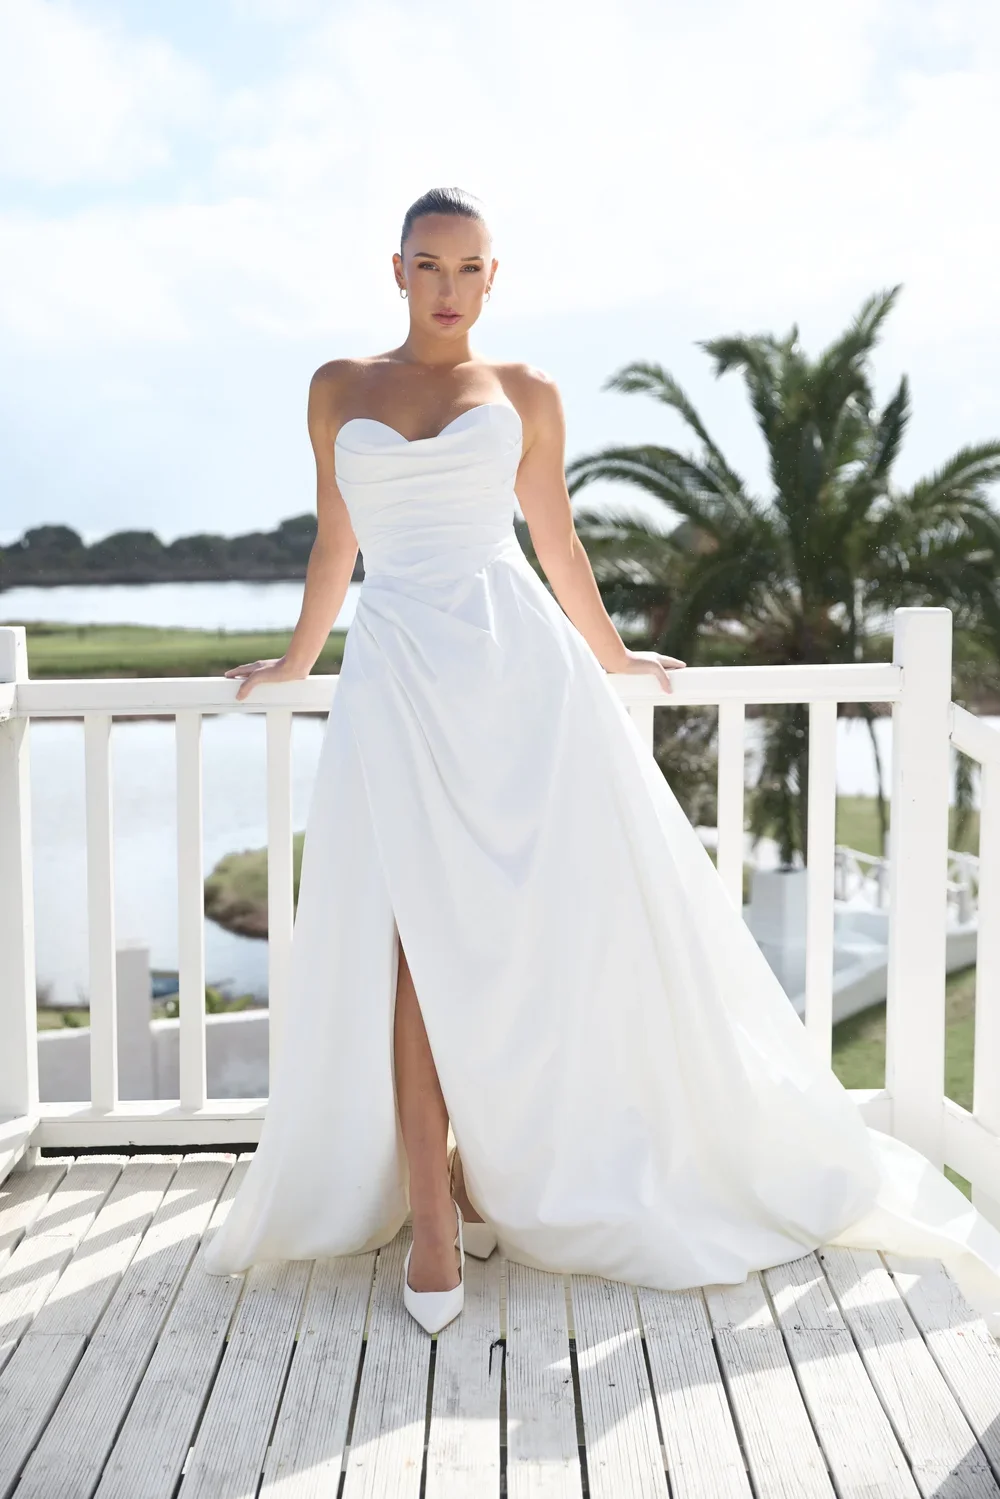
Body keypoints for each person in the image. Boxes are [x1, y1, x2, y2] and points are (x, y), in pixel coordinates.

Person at [203, 185, 1000, 1340]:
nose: (449, 289)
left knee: (535, 936)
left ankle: (485, 1182)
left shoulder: (524, 392)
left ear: (492, 276)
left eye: (471, 268)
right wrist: (294, 657)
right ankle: (430, 1209)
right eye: (429, 266)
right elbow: (338, 537)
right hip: (396, 681)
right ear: (395, 270)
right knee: (410, 944)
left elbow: (555, 533)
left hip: (518, 678)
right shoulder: (339, 387)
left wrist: (613, 649)